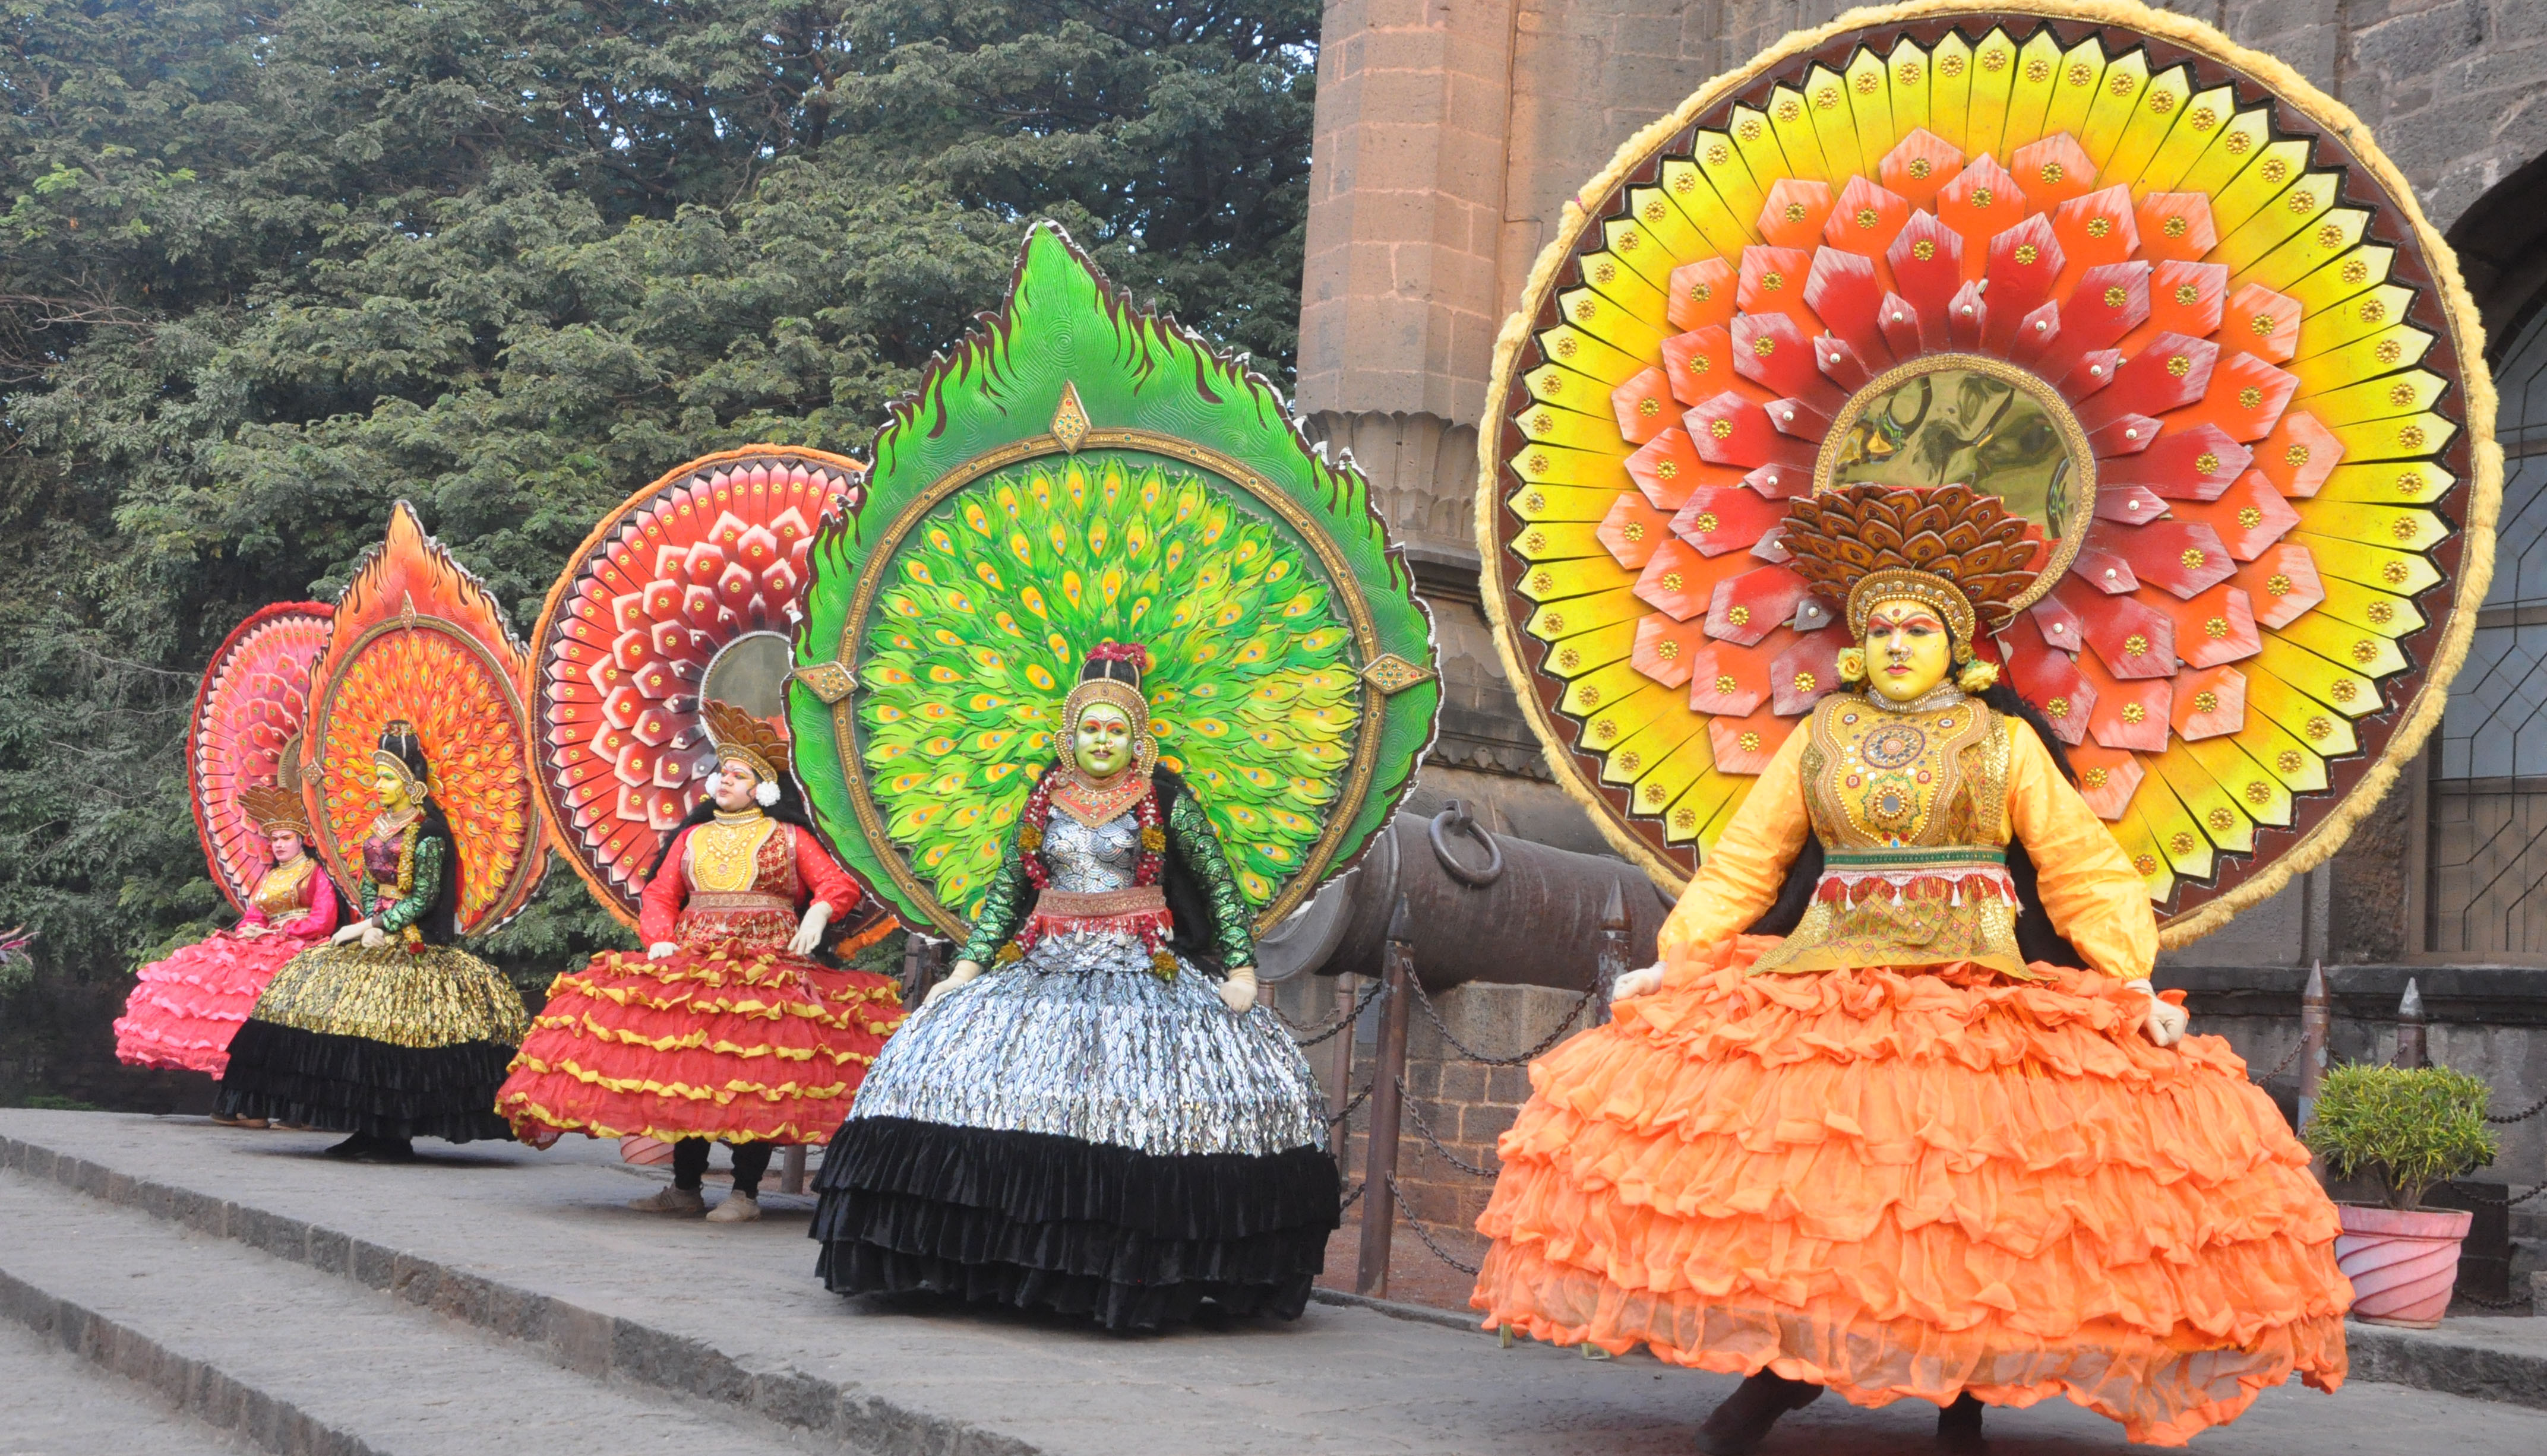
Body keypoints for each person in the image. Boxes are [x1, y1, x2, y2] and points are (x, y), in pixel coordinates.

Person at [1470, 483, 2350, 1452]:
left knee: (1962, 1208)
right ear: (1856, 642)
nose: (1896, 644)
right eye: (1880, 627)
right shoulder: (1818, 738)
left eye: (1917, 628)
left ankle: (1958, 1403)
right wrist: (1676, 965)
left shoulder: (2003, 741)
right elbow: (1745, 862)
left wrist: (2129, 977)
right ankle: (1780, 1375)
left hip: (1973, 993)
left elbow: (2076, 862)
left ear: (1956, 644)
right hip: (1823, 987)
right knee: (1811, 1202)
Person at [810, 642, 1339, 1330]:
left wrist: (1241, 970)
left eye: (1115, 730)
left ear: (1137, 741)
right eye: (1090, 729)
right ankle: (988, 1266)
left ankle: (1120, 1273)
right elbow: (1008, 893)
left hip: (1141, 973)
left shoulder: (1167, 801)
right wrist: (966, 970)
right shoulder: (1044, 799)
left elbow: (1217, 885)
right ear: (1069, 736)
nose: (1101, 741)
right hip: (1043, 967)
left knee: (1139, 1111)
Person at [497, 700, 903, 1222]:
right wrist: (660, 938)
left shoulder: (789, 836)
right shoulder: (693, 836)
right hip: (695, 965)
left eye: (735, 774)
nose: (723, 781)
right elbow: (661, 896)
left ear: (762, 787)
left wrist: (819, 913)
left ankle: (745, 1192)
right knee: (688, 1076)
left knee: (757, 1078)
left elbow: (836, 883)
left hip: (768, 971)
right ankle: (685, 1187)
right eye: (720, 773)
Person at [217, 723, 528, 1160]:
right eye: (376, 777)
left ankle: (394, 1135)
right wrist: (367, 919)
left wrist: (378, 926)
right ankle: (367, 1128)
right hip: (376, 931)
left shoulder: (429, 832)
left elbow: (424, 895)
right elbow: (369, 882)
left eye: (386, 778)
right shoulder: (381, 826)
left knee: (396, 1031)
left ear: (411, 784)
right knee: (331, 1009)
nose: (377, 786)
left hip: (413, 941)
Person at [115, 784, 340, 1114]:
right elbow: (255, 912)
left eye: (285, 839)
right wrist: (253, 929)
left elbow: (323, 919)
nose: (278, 845)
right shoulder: (270, 877)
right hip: (261, 944)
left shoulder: (317, 873)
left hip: (300, 947)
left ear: (302, 839)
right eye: (274, 839)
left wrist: (282, 930)